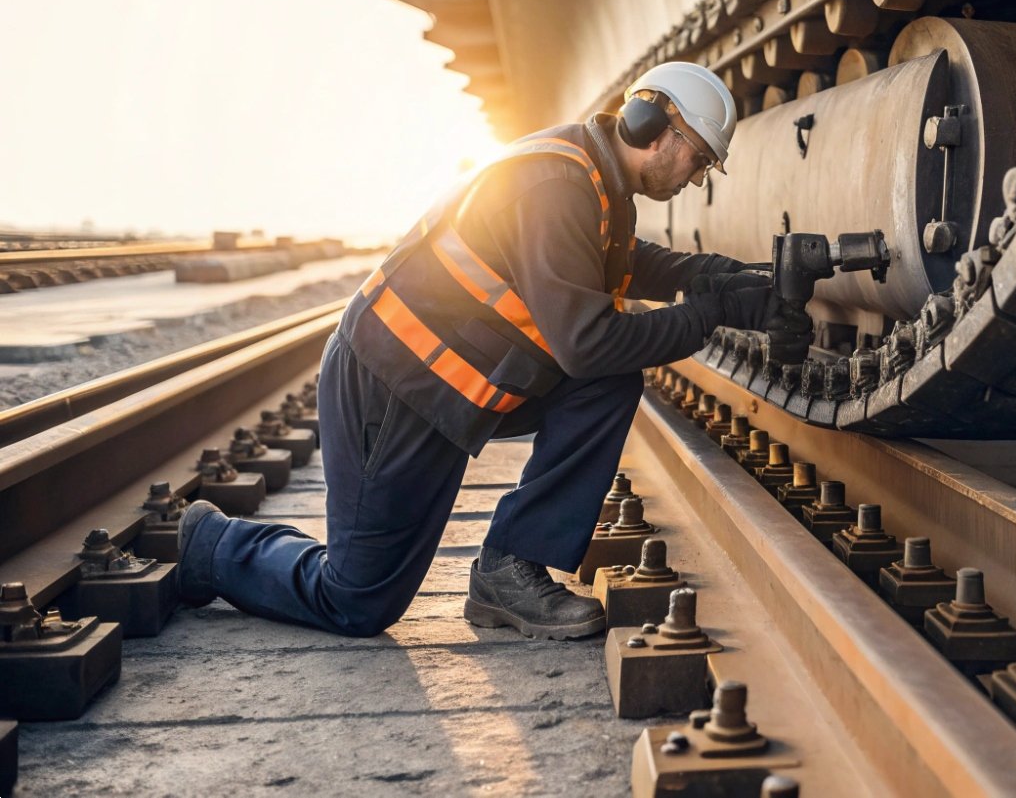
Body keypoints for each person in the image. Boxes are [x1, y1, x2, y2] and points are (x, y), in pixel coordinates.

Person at [176, 62, 807, 639]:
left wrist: (721, 281)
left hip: (453, 381)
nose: (696, 177)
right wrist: (713, 312)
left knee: (609, 385)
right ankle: (212, 546)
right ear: (657, 127)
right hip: (393, 381)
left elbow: (625, 262)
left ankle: (508, 567)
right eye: (698, 159)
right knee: (357, 600)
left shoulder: (593, 179)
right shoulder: (557, 185)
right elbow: (587, 344)